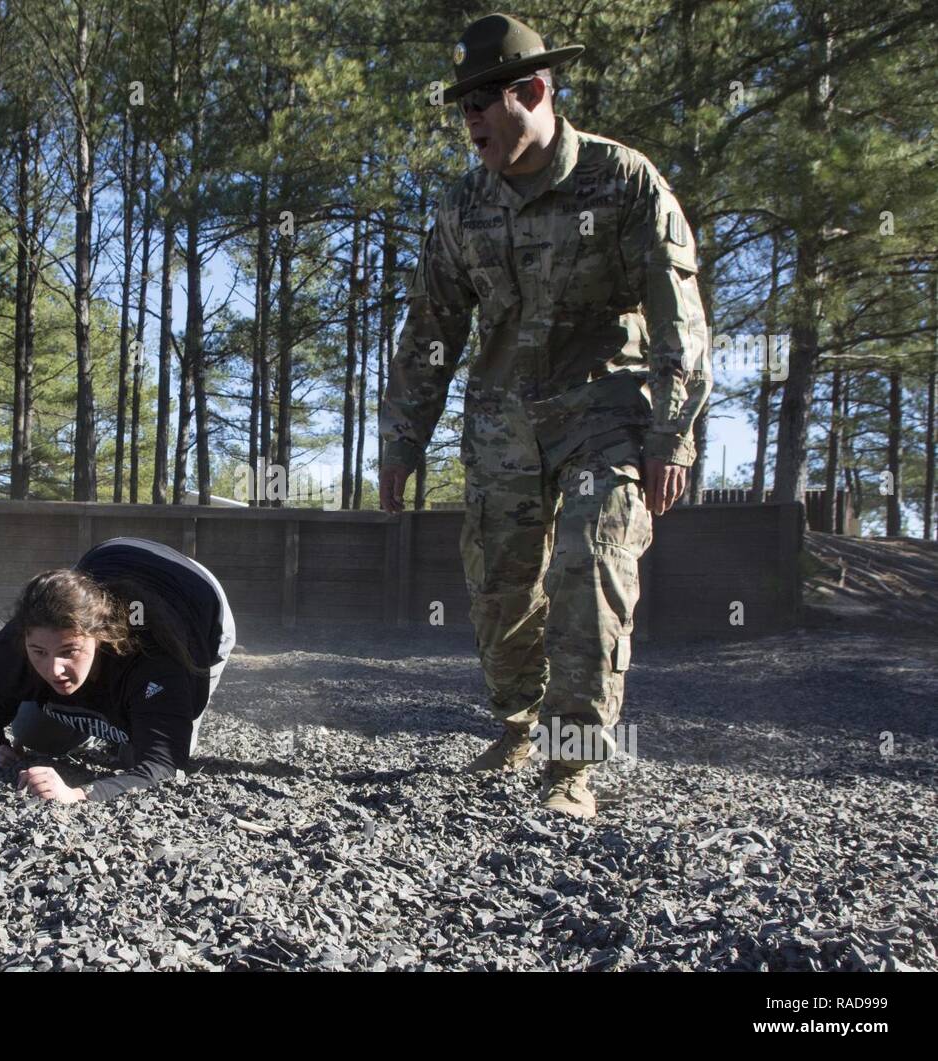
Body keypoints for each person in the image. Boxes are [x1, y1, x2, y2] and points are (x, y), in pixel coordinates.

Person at [378, 13, 710, 818]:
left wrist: (673, 434)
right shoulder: (464, 207)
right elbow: (431, 330)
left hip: (606, 412)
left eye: (484, 103)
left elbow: (680, 321)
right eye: (463, 108)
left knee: (589, 565)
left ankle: (570, 766)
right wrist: (401, 439)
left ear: (535, 90)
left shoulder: (623, 181)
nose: (472, 122)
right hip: (503, 422)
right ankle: (518, 722)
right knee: (499, 589)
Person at [0, 537, 237, 804]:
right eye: (39, 652)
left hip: (199, 597)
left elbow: (162, 766)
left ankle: (124, 728)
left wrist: (79, 794)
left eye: (69, 652)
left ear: (100, 637)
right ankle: (106, 725)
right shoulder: (9, 648)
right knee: (32, 734)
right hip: (104, 560)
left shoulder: (156, 660)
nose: (54, 668)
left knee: (141, 757)